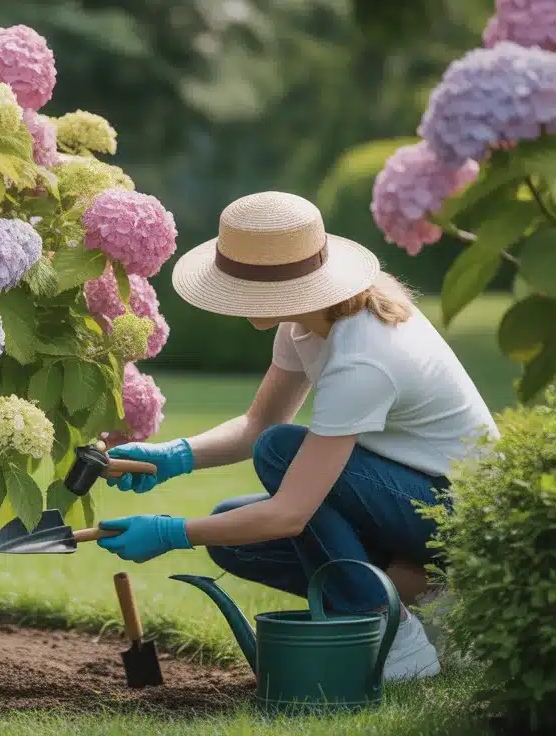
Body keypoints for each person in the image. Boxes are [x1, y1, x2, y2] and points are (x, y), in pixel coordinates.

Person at [95, 191, 498, 682]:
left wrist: (169, 532)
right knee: (232, 531)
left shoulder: (363, 356)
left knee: (281, 454)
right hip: (408, 501)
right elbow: (256, 424)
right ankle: (418, 594)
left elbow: (289, 511)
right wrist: (171, 457)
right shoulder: (310, 321)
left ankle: (384, 631)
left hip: (458, 515)